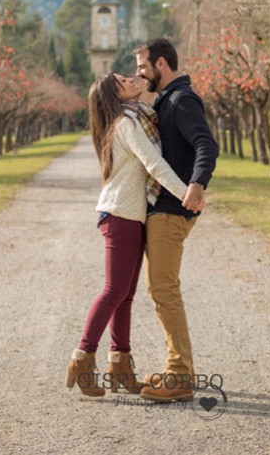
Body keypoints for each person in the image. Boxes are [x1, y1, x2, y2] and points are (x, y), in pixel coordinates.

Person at [66, 72, 195, 397]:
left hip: (130, 216)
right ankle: (82, 357)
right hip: (120, 214)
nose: (131, 76)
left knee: (125, 295)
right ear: (116, 96)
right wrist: (187, 194)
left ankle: (120, 364)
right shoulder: (126, 122)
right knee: (114, 291)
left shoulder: (134, 117)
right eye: (123, 79)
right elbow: (154, 164)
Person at [135, 37, 219, 403]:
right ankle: (178, 367)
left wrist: (198, 184)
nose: (139, 73)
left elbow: (206, 144)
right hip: (163, 209)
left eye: (143, 66)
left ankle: (180, 376)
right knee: (160, 289)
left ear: (161, 65)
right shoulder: (167, 100)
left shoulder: (182, 100)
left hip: (172, 210)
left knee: (164, 289)